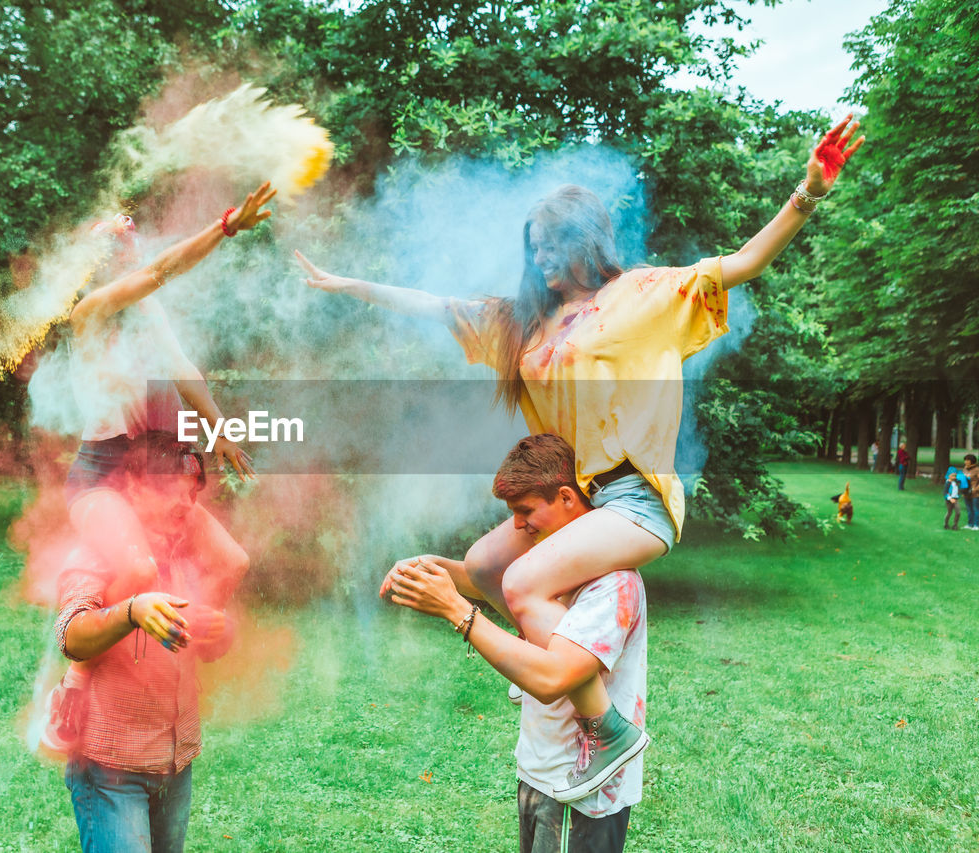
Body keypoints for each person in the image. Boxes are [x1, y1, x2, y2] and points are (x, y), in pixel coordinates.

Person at [300, 117, 863, 661]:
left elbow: (745, 262)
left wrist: (806, 194)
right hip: (574, 500)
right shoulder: (524, 320)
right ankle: (558, 668)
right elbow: (434, 305)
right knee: (483, 566)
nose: (539, 257)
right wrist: (349, 284)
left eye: (549, 244)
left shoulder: (645, 293)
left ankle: (588, 701)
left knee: (520, 583)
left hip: (636, 498)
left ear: (585, 239)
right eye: (533, 247)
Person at [42, 185, 274, 751]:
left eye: (129, 254)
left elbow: (183, 367)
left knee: (231, 560)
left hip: (150, 475)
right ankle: (75, 679)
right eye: (120, 258)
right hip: (99, 478)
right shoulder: (89, 315)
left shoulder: (146, 314)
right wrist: (224, 225)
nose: (131, 265)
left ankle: (181, 642)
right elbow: (164, 271)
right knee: (141, 569)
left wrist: (219, 430)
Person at [386, 433, 647, 853]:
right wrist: (430, 568)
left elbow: (552, 678)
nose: (518, 525)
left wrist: (457, 610)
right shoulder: (550, 568)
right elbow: (489, 581)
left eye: (526, 511)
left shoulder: (614, 582)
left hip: (581, 796)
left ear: (565, 496)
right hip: (540, 774)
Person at [54, 435, 242, 853]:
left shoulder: (188, 552)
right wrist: (132, 610)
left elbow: (205, 647)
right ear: (135, 487)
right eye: (173, 492)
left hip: (175, 763)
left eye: (192, 495)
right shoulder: (100, 549)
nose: (186, 506)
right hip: (109, 767)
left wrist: (219, 631)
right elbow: (71, 633)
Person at [963, 454, 979, 531]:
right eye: (965, 460)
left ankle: (976, 525)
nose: (965, 462)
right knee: (969, 509)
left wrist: (975, 489)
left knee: (975, 509)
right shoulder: (965, 469)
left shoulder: (977, 469)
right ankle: (970, 524)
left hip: (975, 493)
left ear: (972, 461)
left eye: (967, 460)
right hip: (966, 493)